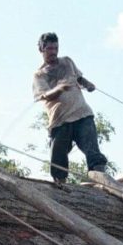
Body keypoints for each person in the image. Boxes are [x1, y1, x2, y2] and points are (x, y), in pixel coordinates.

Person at [32, 32, 108, 185]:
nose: (53, 52)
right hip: (60, 120)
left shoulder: (67, 61)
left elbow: (78, 77)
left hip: (82, 113)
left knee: (92, 148)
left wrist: (87, 84)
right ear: (41, 49)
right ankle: (60, 183)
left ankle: (99, 176)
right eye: (49, 49)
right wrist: (59, 89)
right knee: (58, 155)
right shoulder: (40, 75)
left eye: (56, 48)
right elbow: (45, 95)